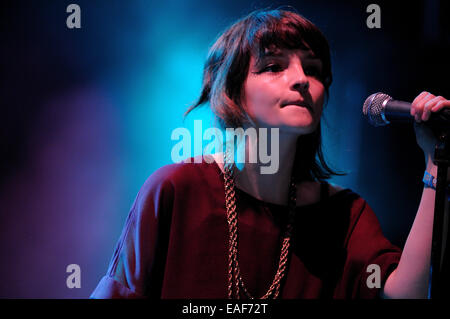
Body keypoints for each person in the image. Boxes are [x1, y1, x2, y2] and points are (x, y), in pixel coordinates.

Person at [90, 8, 450, 299]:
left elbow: (408, 294)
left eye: (313, 69)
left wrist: (435, 165)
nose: (301, 79)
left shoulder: (343, 215)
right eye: (274, 66)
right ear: (231, 90)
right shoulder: (175, 189)